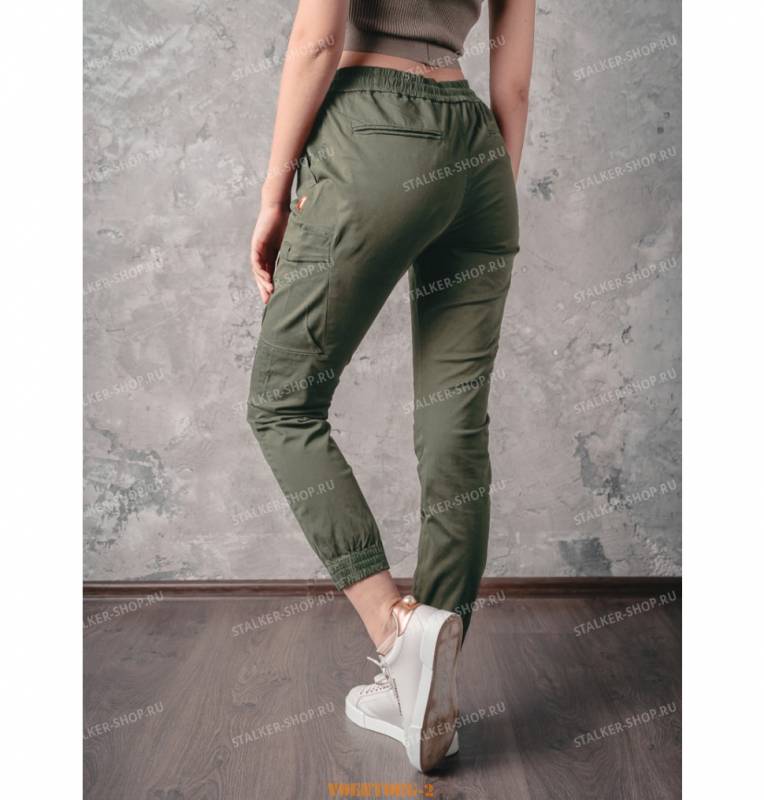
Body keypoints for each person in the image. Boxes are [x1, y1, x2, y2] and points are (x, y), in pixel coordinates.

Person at [247, 0, 534, 772]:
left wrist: (274, 195)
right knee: (456, 425)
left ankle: (394, 628)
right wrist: (485, 195)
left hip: (374, 128)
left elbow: (318, 41)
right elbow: (512, 85)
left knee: (283, 404)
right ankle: (423, 689)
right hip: (478, 152)